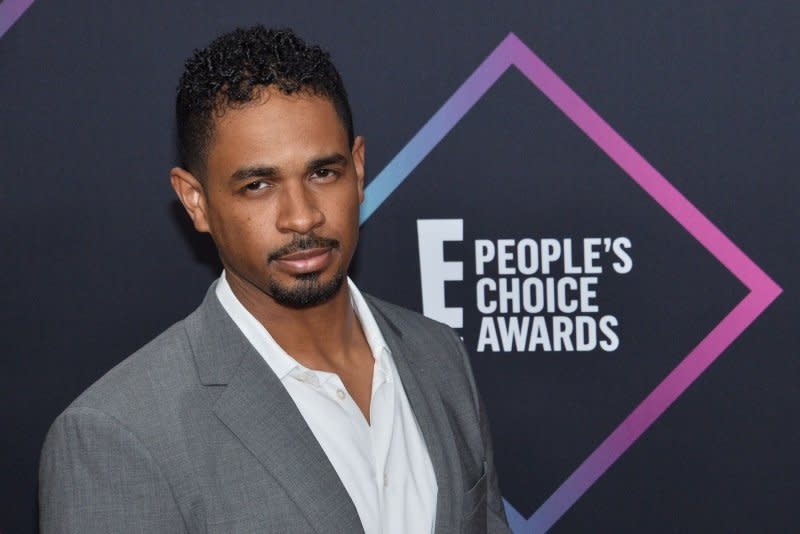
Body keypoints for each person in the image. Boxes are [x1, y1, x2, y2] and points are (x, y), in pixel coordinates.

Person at [39, 25, 511, 534]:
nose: (302, 217)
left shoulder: (438, 356)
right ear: (195, 200)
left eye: (322, 173)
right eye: (258, 185)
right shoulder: (118, 435)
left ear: (357, 168)